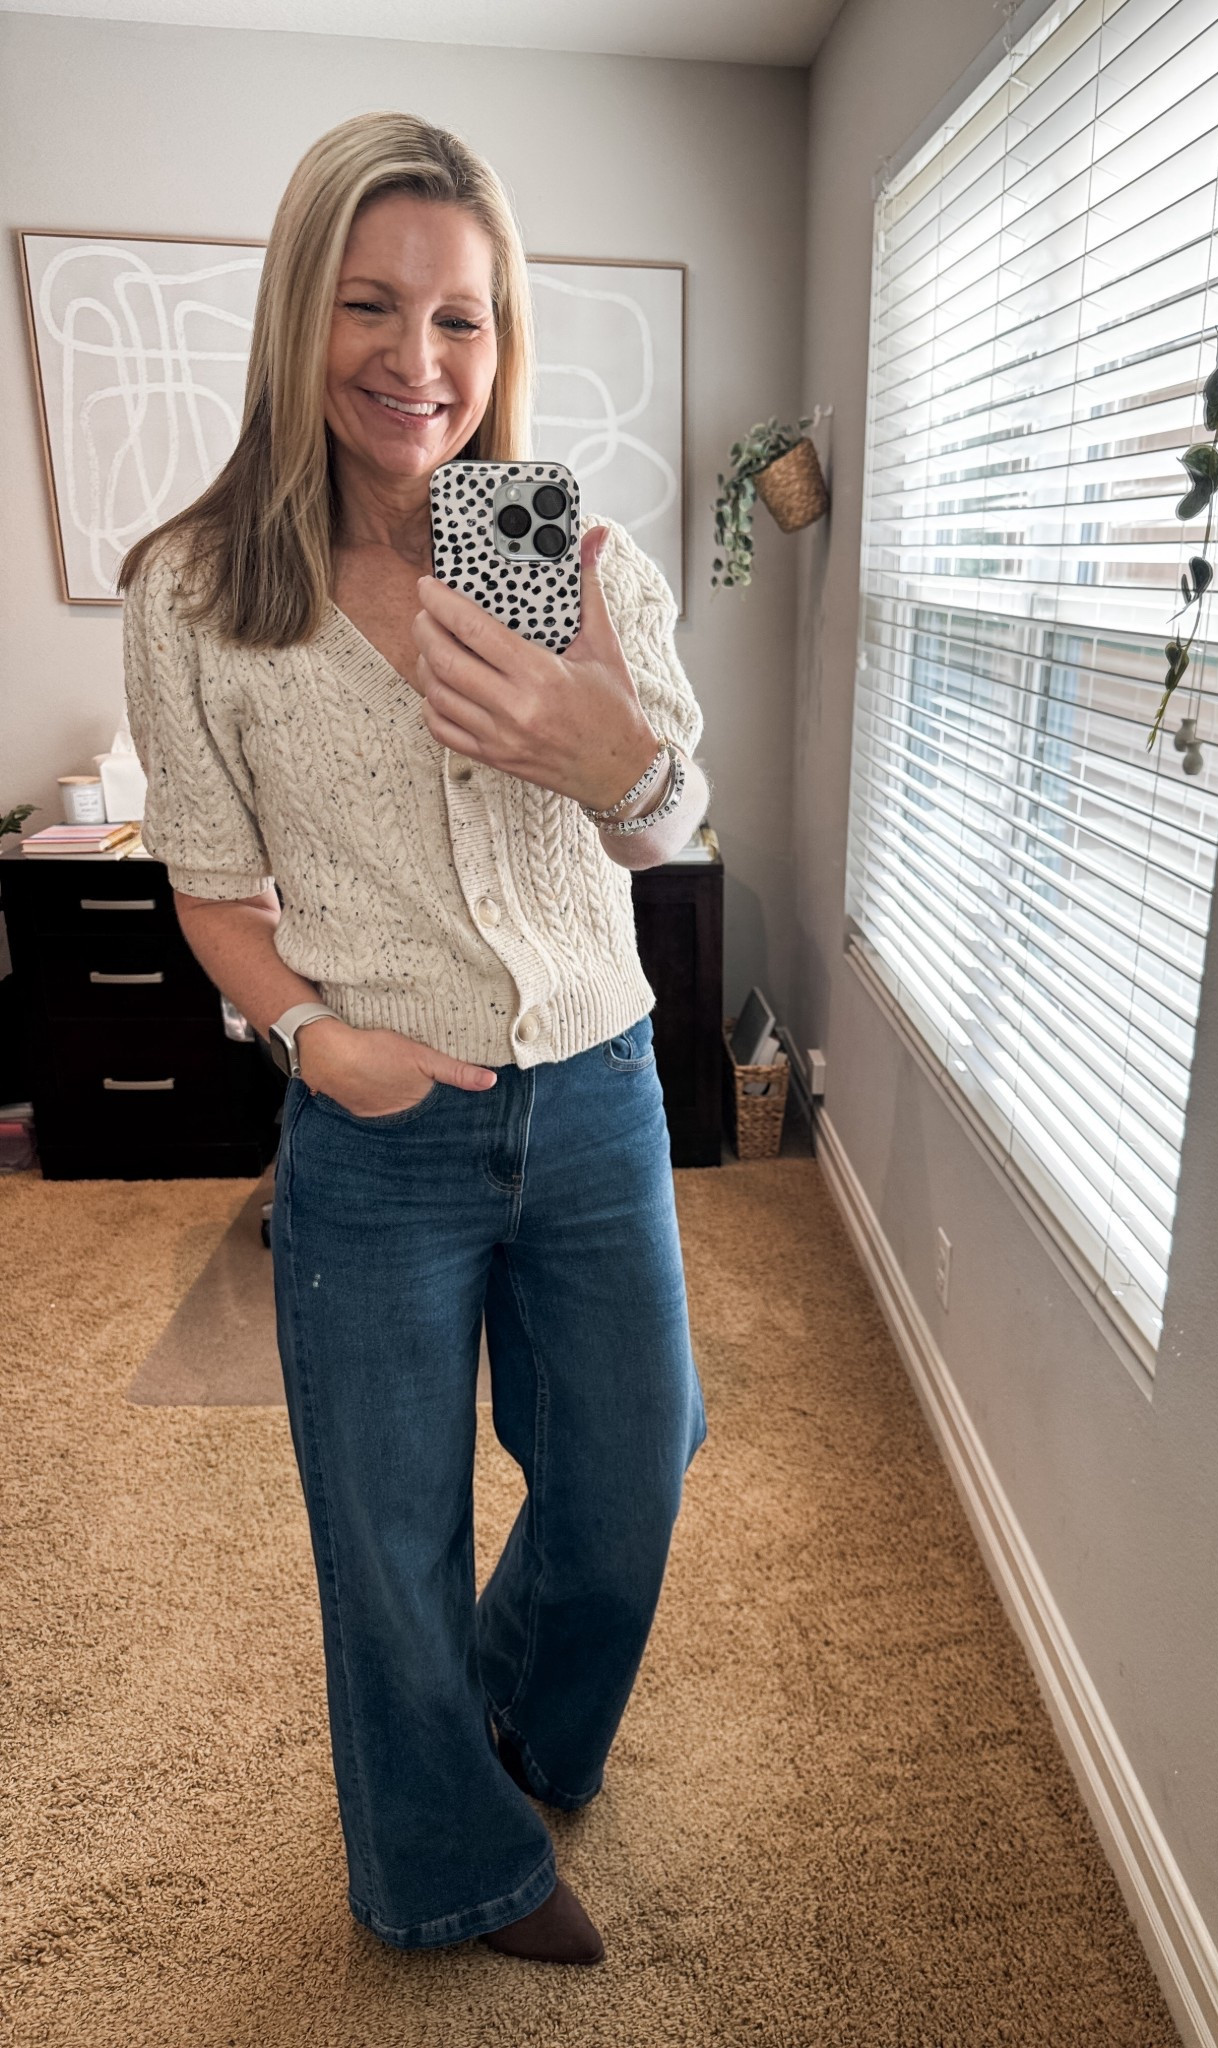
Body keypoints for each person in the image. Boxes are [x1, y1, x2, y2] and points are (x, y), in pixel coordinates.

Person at [120, 111, 713, 1966]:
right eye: (370, 307)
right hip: (379, 1123)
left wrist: (626, 767)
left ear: (502, 337)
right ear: (302, 316)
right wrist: (312, 1039)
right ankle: (448, 1861)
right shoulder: (206, 593)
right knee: (384, 1537)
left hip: (600, 1088)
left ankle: (522, 1719)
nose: (418, 361)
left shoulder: (569, 557)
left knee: (632, 1473)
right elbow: (210, 888)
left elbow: (666, 826)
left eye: (462, 320)